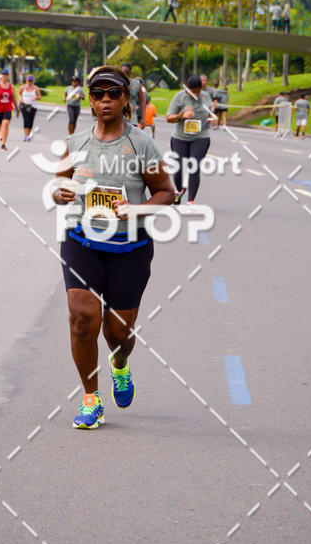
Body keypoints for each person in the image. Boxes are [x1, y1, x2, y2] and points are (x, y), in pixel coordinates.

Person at [52, 65, 174, 430]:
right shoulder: (75, 142)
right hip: (81, 240)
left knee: (119, 334)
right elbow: (59, 185)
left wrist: (136, 208)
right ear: (90, 101)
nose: (105, 100)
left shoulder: (141, 144)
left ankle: (119, 364)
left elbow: (166, 193)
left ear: (125, 100)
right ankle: (91, 398)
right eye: (98, 94)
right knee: (82, 317)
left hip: (130, 247)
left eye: (113, 94)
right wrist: (60, 193)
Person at [166, 73, 214, 205]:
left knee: (194, 167)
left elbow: (209, 111)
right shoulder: (179, 97)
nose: (195, 94)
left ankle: (191, 200)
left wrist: (211, 117)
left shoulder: (206, 96)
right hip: (180, 137)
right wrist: (181, 115)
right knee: (179, 167)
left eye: (197, 91)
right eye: (192, 92)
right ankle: (179, 190)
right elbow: (169, 118)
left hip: (201, 136)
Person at [0, 68, 19, 150]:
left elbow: (13, 99)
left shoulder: (11, 87)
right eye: (3, 75)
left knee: (6, 124)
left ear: (8, 76)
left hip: (7, 108)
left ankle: (3, 144)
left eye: (6, 75)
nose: (5, 76)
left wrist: (17, 109)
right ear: (1, 76)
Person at [121, 63, 146, 129]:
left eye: (127, 72)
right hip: (119, 118)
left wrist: (143, 119)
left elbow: (142, 102)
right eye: (123, 72)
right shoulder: (117, 83)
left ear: (130, 72)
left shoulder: (136, 84)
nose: (125, 74)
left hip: (132, 118)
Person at [18, 75, 41, 141]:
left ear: (33, 81)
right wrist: (20, 99)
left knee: (31, 121)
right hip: (24, 106)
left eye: (31, 81)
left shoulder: (36, 88)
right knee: (26, 120)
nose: (30, 82)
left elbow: (39, 96)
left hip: (33, 106)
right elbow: (19, 94)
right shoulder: (22, 87)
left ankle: (28, 135)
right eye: (29, 80)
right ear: (26, 80)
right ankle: (25, 135)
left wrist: (35, 97)